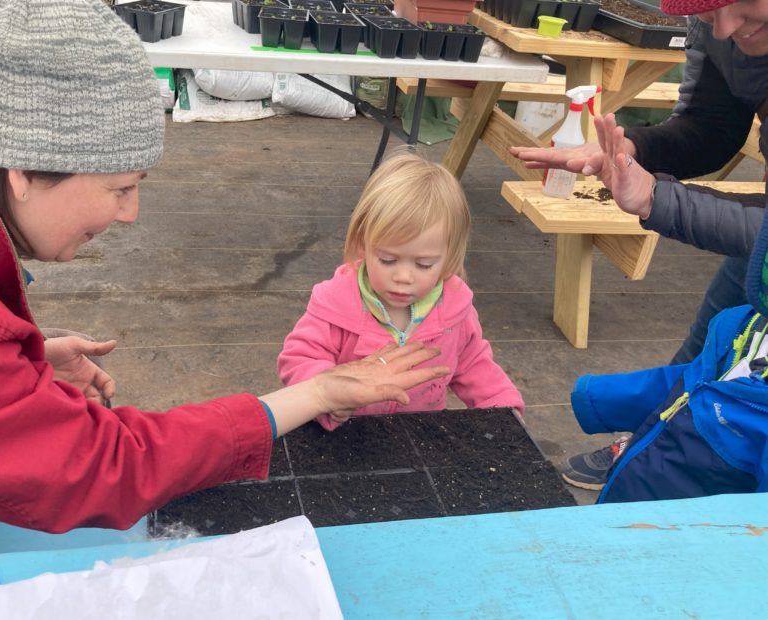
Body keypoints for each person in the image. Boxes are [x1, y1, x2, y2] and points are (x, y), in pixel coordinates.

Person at [0, 0, 450, 566]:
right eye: (119, 187)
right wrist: (313, 395)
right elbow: (100, 467)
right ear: (20, 169)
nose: (130, 214)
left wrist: (4, 366)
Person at [509, 0, 768, 490]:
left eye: (743, 4)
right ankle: (655, 445)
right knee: (706, 354)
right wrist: (631, 150)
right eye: (708, 15)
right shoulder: (717, 23)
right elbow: (711, 128)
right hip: (759, 247)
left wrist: (655, 198)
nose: (727, 29)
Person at [277, 152, 524, 431]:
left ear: (450, 257)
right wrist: (330, 397)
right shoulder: (334, 304)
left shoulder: (455, 311)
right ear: (362, 242)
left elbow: (474, 364)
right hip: (344, 435)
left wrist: (502, 412)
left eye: (424, 264)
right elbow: (298, 358)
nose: (403, 277)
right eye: (388, 260)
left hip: (419, 436)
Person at [569, 210, 768, 504]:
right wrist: (599, 397)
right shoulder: (747, 325)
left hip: (681, 537)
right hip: (636, 497)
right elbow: (693, 382)